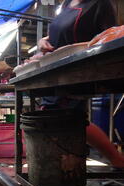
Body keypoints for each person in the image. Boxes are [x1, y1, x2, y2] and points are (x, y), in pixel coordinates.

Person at [37, 0, 124, 168]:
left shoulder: (99, 4)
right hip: (55, 71)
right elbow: (58, 34)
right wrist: (42, 42)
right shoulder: (66, 4)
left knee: (68, 117)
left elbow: (110, 36)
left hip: (78, 70)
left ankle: (115, 158)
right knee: (60, 116)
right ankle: (66, 165)